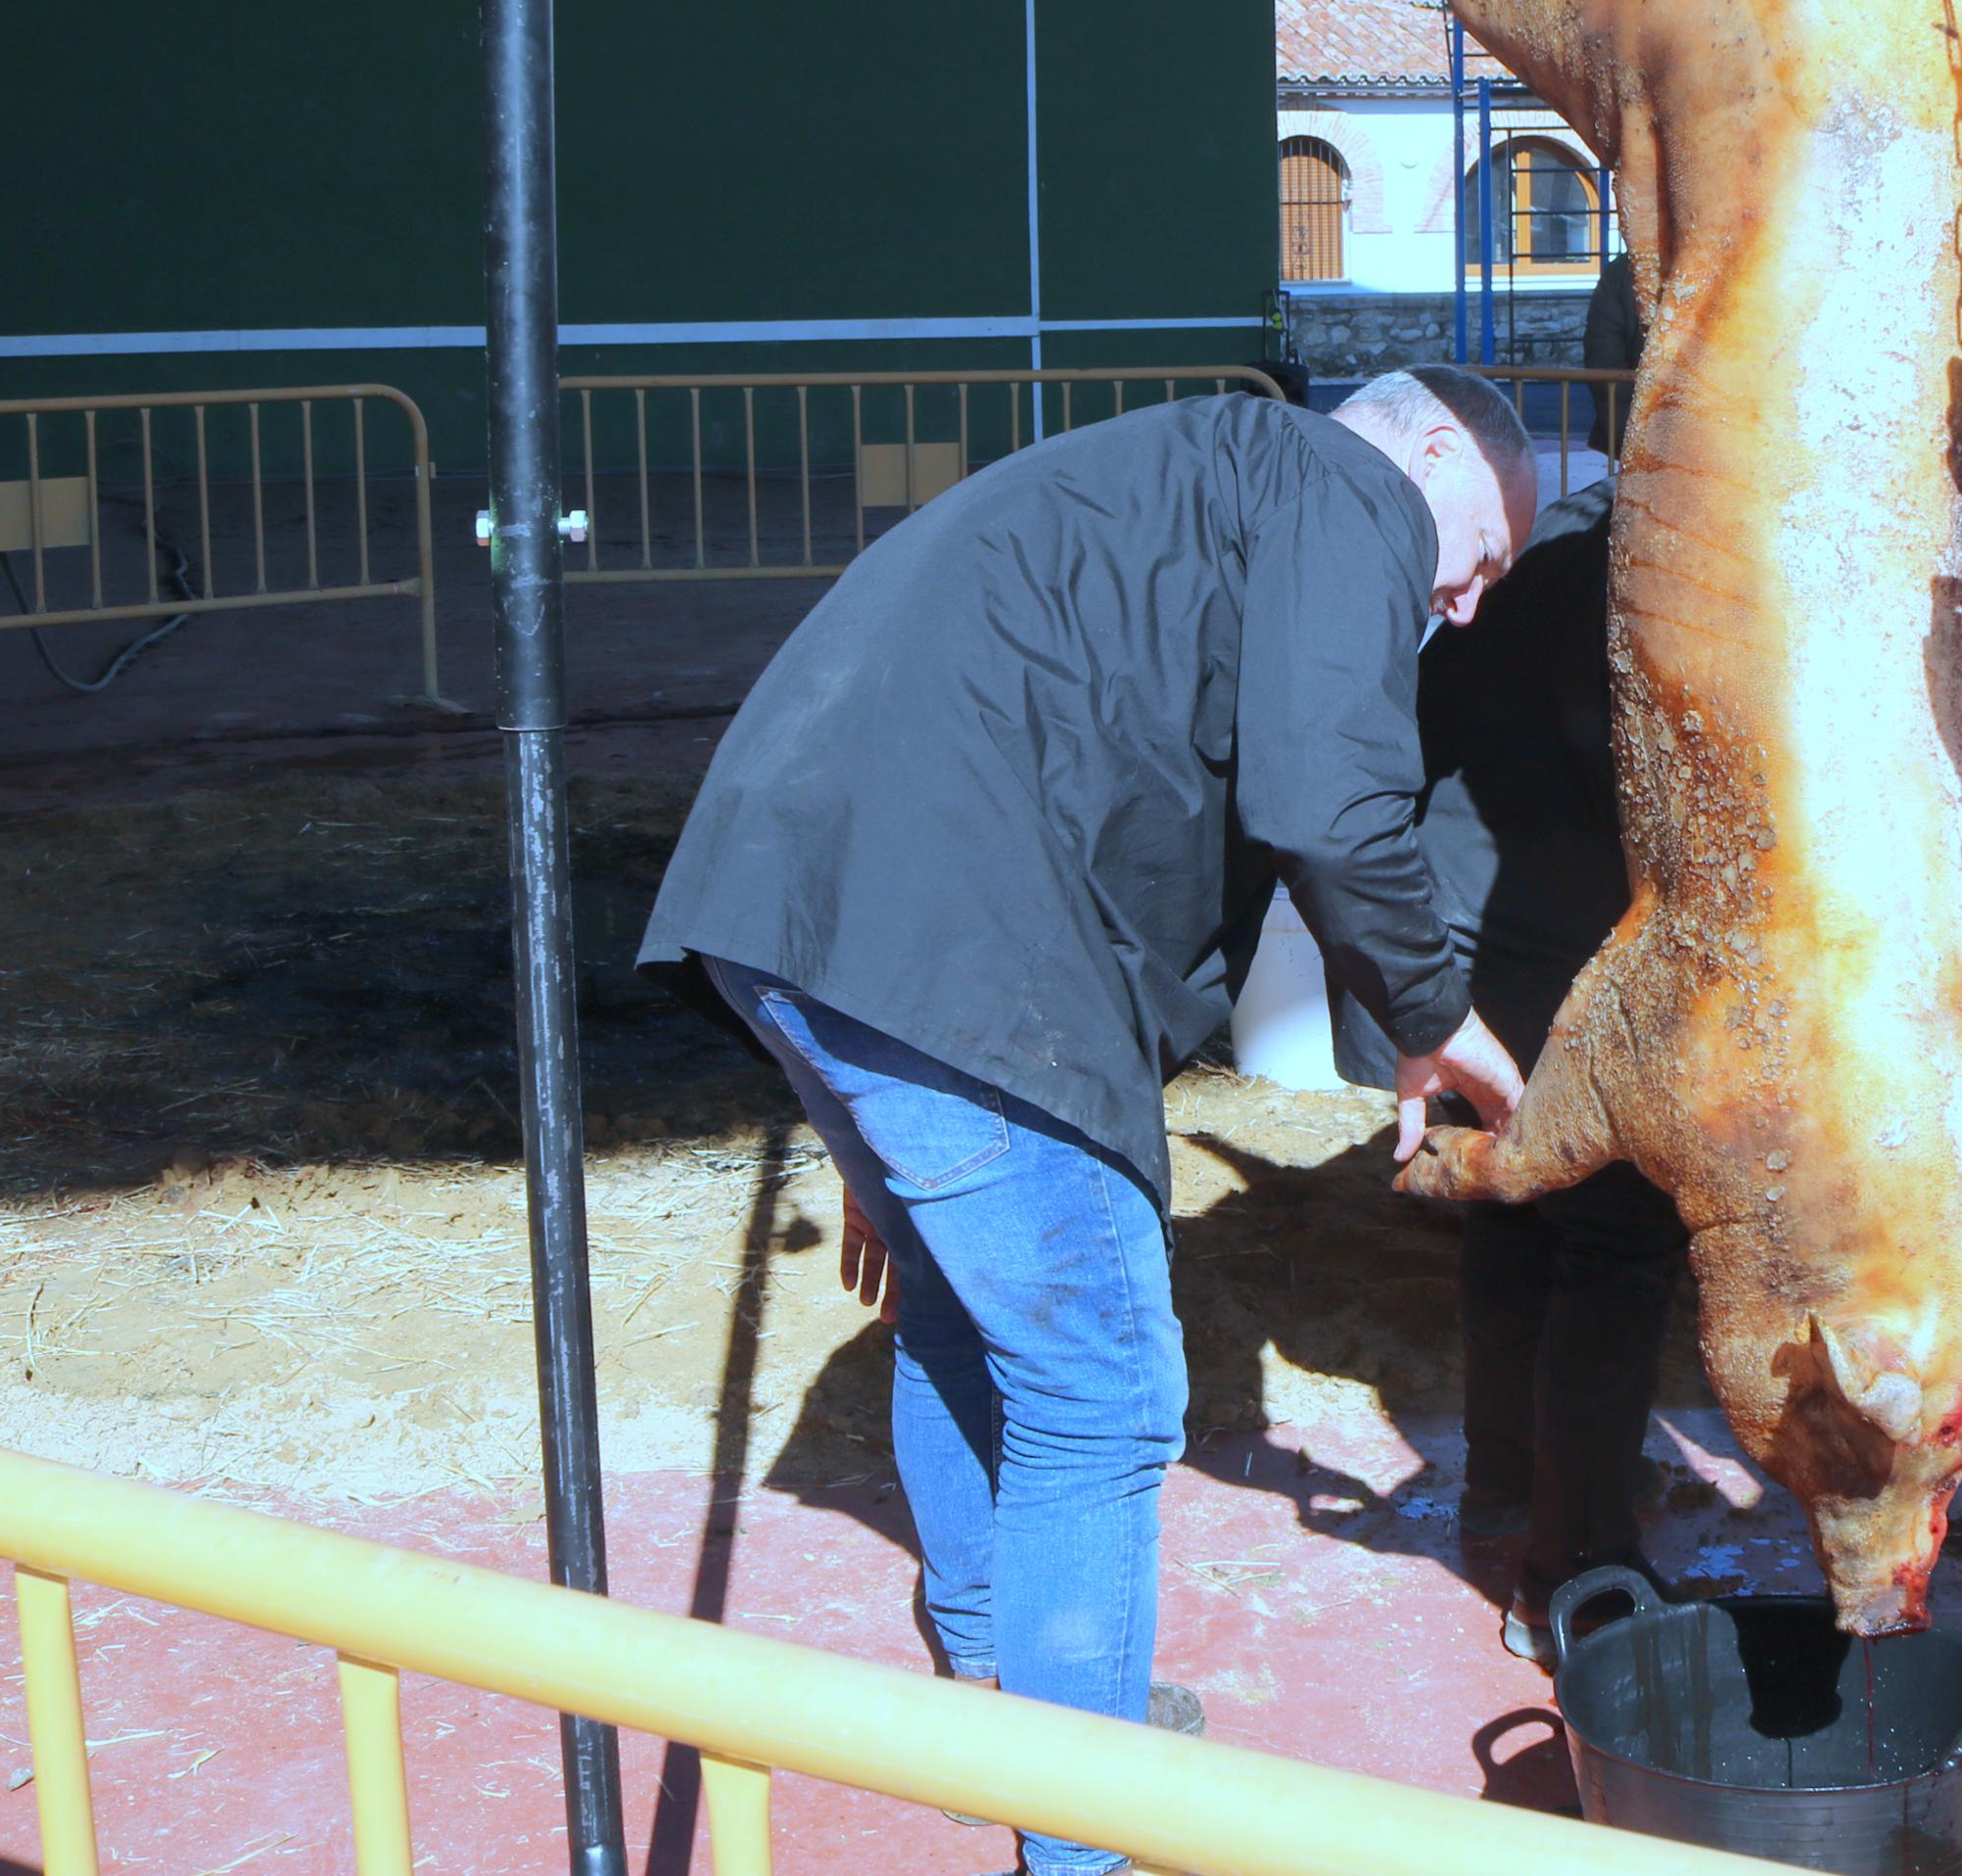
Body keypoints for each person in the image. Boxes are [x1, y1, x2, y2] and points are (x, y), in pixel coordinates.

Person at [639, 368, 1536, 1876]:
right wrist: (1440, 1014)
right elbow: (1327, 802)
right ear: (1432, 448)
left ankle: (1002, 1695)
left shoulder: (1187, 477)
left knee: (952, 1295)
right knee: (1103, 1392)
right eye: (1483, 553)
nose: (1457, 601)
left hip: (796, 901)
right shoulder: (1339, 483)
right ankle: (1085, 1834)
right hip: (954, 935)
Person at [1412, 471, 1691, 1656]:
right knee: (1614, 1242)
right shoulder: (1660, 576)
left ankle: (1502, 1480)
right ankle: (1574, 1568)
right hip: (1579, 951)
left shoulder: (1544, 538)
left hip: (1473, 937)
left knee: (1512, 1208)